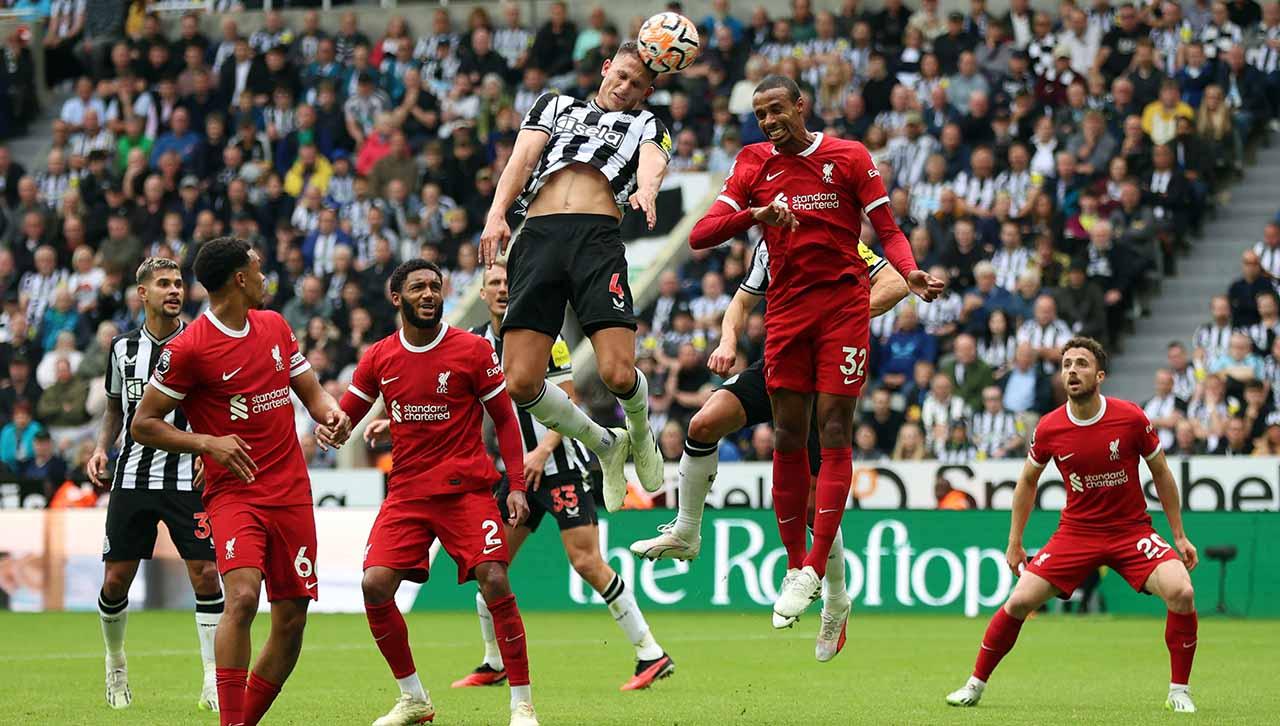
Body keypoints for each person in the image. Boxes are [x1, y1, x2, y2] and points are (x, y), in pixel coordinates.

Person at [687, 74, 944, 626]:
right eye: (761, 114)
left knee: (832, 431)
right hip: (785, 317)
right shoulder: (754, 162)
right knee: (784, 434)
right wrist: (755, 215)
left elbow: (889, 229)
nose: (769, 120)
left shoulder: (848, 157)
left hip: (844, 309)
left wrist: (910, 272)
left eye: (777, 109)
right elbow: (702, 234)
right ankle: (794, 565)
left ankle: (813, 568)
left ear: (801, 106)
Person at [393, 259, 669, 693]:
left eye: (508, 282)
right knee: (491, 565)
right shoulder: (475, 346)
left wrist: (540, 451)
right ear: (482, 294)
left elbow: (569, 403)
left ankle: (650, 651)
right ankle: (494, 661)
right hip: (518, 476)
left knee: (586, 562)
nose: (502, 289)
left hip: (559, 467)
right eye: (494, 284)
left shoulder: (546, 338)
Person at [631, 237, 908, 662]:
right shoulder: (767, 244)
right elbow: (741, 303)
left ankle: (835, 600)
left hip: (825, 370)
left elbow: (893, 283)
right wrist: (727, 341)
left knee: (816, 505)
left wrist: (837, 320)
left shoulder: (841, 239)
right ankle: (687, 531)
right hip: (779, 361)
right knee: (704, 423)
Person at [130, 237, 352, 726]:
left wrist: (330, 415)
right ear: (239, 278)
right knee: (245, 597)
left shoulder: (274, 325)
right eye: (257, 267)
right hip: (234, 492)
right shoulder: (190, 347)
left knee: (292, 619)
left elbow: (311, 392)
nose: (264, 275)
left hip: (291, 489)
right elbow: (143, 423)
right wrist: (207, 443)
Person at [945, 337, 1200, 714]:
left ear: (1099, 375)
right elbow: (1027, 482)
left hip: (1131, 531)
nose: (1071, 371)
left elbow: (1161, 472)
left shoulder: (1130, 417)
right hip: (1077, 533)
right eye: (1066, 364)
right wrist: (1015, 541)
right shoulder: (1049, 428)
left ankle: (1179, 691)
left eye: (1081, 363)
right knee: (1018, 601)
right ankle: (974, 684)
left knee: (1181, 591)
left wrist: (1178, 534)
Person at [335, 259, 538, 726]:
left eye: (434, 286)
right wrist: (333, 427)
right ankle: (414, 698)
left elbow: (505, 419)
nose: (428, 293)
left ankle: (522, 703)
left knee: (495, 578)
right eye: (418, 287)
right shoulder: (380, 356)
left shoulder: (471, 350)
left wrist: (517, 485)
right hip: (407, 493)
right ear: (397, 298)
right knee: (374, 585)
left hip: (466, 491)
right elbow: (346, 413)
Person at [478, 41, 672, 513]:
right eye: (621, 76)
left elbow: (652, 162)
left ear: (647, 93)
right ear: (606, 69)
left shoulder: (647, 124)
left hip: (596, 240)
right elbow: (521, 160)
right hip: (538, 237)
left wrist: (647, 191)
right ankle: (604, 444)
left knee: (617, 371)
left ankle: (640, 433)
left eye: (637, 85)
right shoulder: (555, 104)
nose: (625, 88)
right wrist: (496, 212)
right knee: (520, 382)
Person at [84, 258, 221, 712]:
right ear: (142, 293)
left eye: (178, 283)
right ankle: (115, 666)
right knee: (116, 579)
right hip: (134, 476)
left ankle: (212, 681)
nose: (174, 290)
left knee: (204, 574)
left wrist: (207, 450)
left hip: (188, 477)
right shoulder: (122, 349)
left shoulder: (202, 342)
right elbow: (113, 410)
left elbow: (216, 404)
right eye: (163, 284)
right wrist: (103, 447)